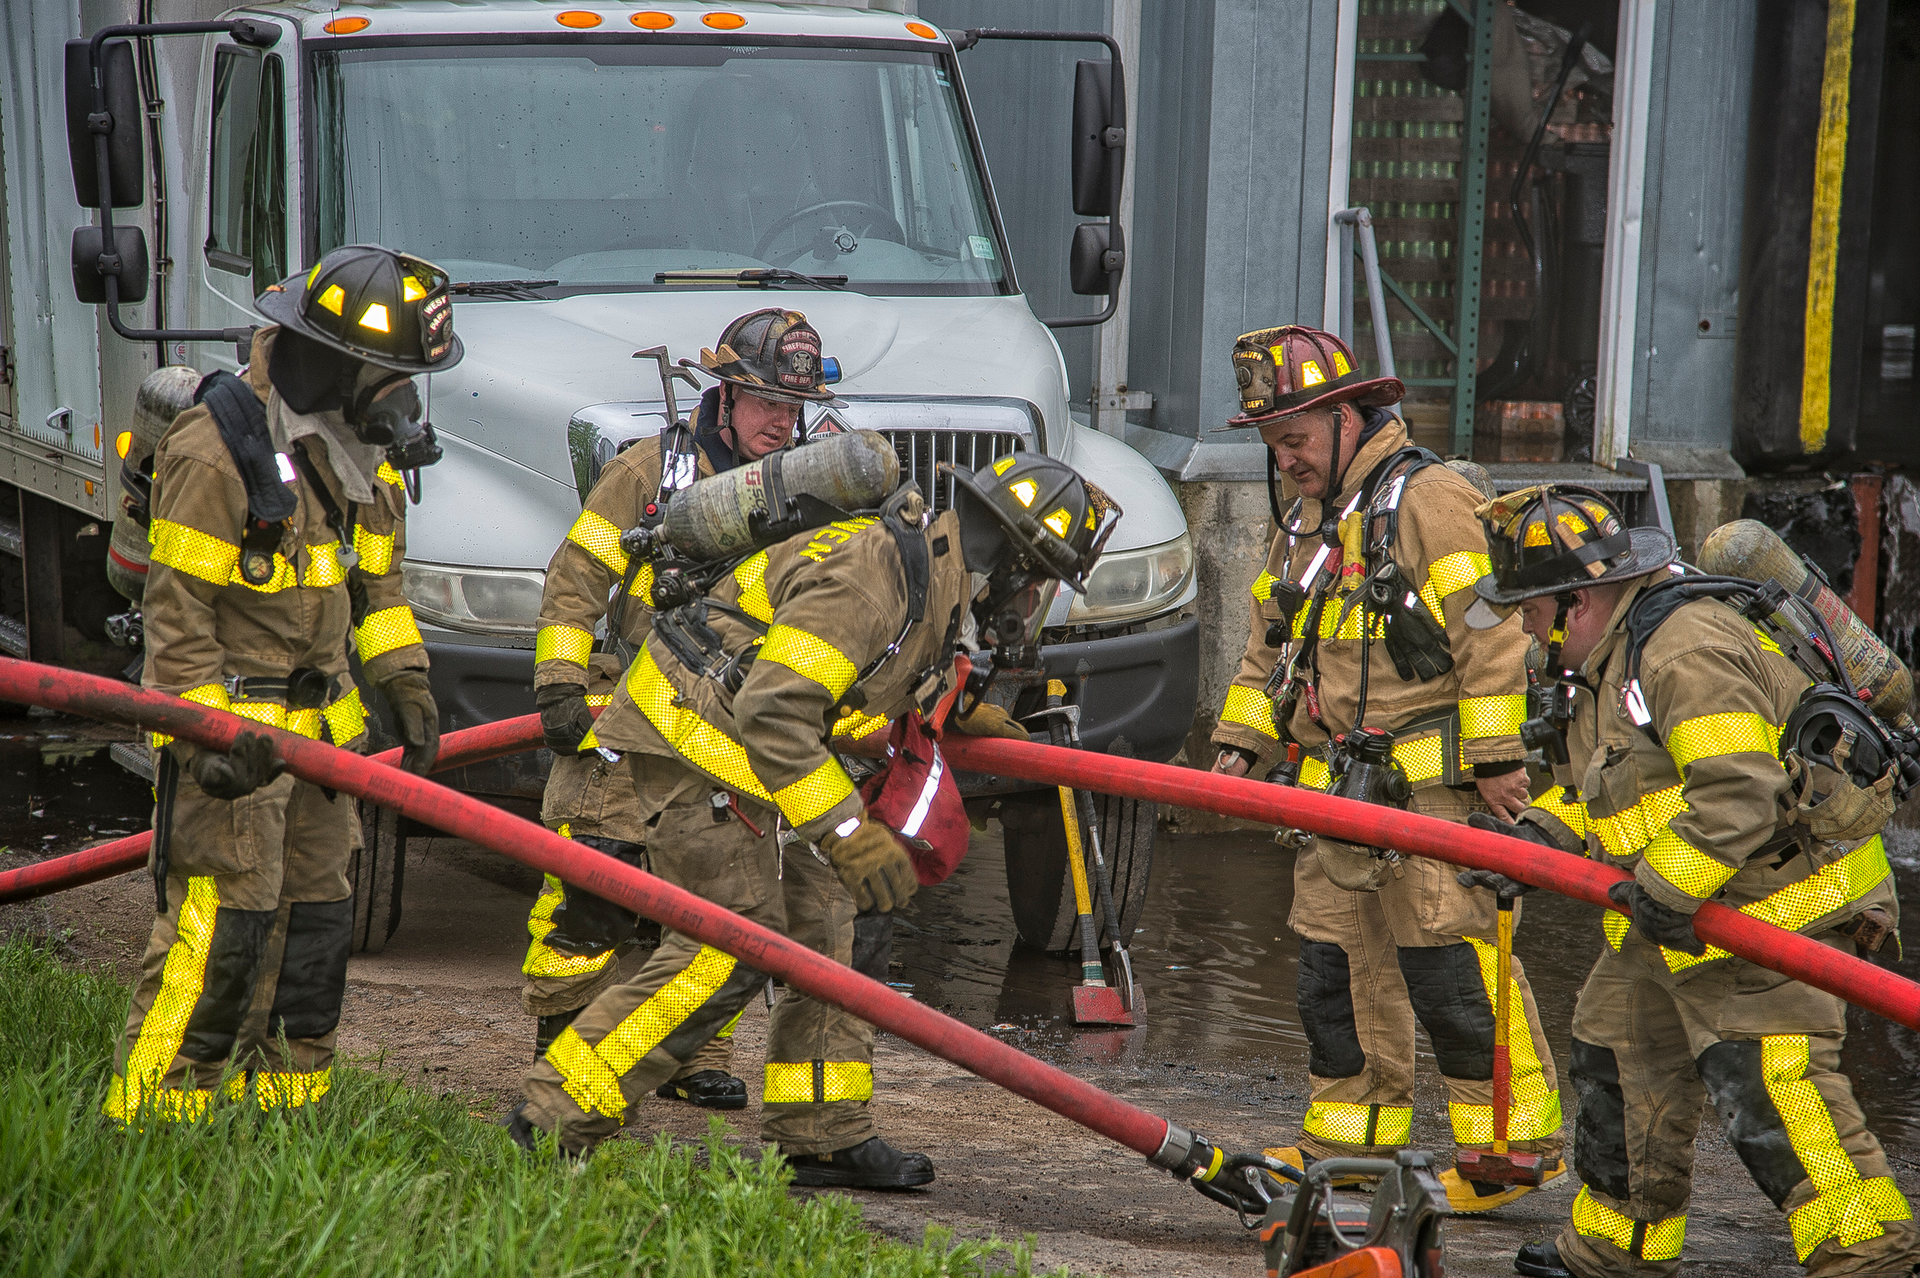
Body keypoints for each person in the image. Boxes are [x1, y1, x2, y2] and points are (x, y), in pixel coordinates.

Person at [506, 450, 1109, 1181]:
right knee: (729, 941)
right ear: (1015, 561)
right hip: (696, 737)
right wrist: (848, 833)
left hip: (755, 749)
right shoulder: (875, 576)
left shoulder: (934, 572)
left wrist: (966, 715)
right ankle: (553, 1117)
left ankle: (821, 1132)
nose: (1033, 601)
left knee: (826, 922)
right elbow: (775, 709)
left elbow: (870, 677)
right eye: (1040, 581)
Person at [1462, 486, 1917, 1278]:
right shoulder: (1609, 666)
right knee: (1614, 1046)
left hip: (1780, 911)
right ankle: (1619, 1249)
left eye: (1530, 612)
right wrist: (1537, 835)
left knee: (1775, 1089)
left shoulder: (1681, 649)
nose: (1525, 632)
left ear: (1577, 599)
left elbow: (1737, 791)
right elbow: (1630, 796)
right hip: (1691, 912)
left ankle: (1868, 1251)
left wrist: (1666, 894)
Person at [1206, 324, 1562, 1211]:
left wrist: (1495, 760)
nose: (1285, 458)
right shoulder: (1304, 524)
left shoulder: (1430, 498)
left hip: (1432, 796)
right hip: (1337, 795)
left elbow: (1493, 634)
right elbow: (1267, 645)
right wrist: (1241, 744)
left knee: (1454, 976)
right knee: (1334, 971)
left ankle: (1509, 1156)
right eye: (1273, 443)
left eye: (1294, 438)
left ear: (1347, 416)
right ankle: (1352, 1146)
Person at [106, 244, 451, 1121]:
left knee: (313, 942)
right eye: (388, 371)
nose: (402, 397)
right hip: (238, 751)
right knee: (218, 943)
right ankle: (155, 1123)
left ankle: (287, 1126)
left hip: (325, 756)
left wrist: (404, 677)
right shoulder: (219, 453)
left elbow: (379, 585)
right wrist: (203, 741)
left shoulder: (358, 461)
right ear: (331, 364)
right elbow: (177, 623)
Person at [523, 308, 831, 1111]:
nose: (781, 421)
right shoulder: (651, 472)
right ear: (724, 395)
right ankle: (562, 1033)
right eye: (766, 401)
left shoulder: (802, 491)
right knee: (595, 878)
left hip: (727, 726)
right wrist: (560, 683)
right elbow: (576, 577)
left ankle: (691, 1055)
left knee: (714, 896)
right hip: (625, 709)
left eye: (792, 407)